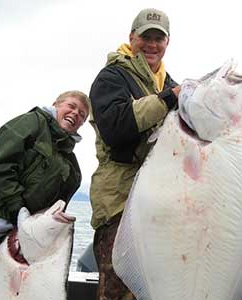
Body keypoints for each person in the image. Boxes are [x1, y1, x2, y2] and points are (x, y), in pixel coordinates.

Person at [0, 90, 90, 300]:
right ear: (56, 105)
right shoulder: (31, 123)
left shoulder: (71, 164)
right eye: (71, 106)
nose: (76, 114)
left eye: (82, 114)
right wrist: (18, 209)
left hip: (19, 235)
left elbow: (56, 205)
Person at [88, 7, 180, 300]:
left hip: (159, 204)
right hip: (119, 202)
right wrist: (166, 100)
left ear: (167, 43)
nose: (152, 45)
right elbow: (116, 126)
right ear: (131, 37)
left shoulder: (171, 84)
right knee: (117, 290)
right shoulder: (111, 77)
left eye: (159, 39)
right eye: (145, 37)